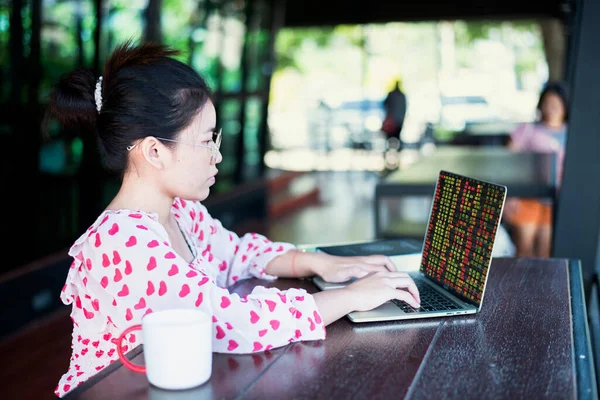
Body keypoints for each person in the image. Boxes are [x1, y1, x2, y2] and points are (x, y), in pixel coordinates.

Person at [46, 41, 421, 398]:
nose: (217, 155)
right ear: (155, 151)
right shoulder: (121, 242)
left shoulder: (180, 212)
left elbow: (236, 253)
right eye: (206, 141)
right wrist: (351, 296)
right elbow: (232, 323)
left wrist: (322, 263)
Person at [504, 81, 569, 257]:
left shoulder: (572, 132)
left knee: (545, 253)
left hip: (555, 201)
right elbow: (507, 161)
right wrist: (510, 195)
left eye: (556, 104)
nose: (552, 108)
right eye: (548, 103)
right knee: (523, 250)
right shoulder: (527, 130)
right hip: (527, 198)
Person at [382, 79, 407, 145]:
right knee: (393, 137)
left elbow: (385, 104)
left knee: (392, 137)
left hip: (394, 120)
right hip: (395, 120)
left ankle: (393, 150)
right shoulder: (401, 95)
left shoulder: (394, 94)